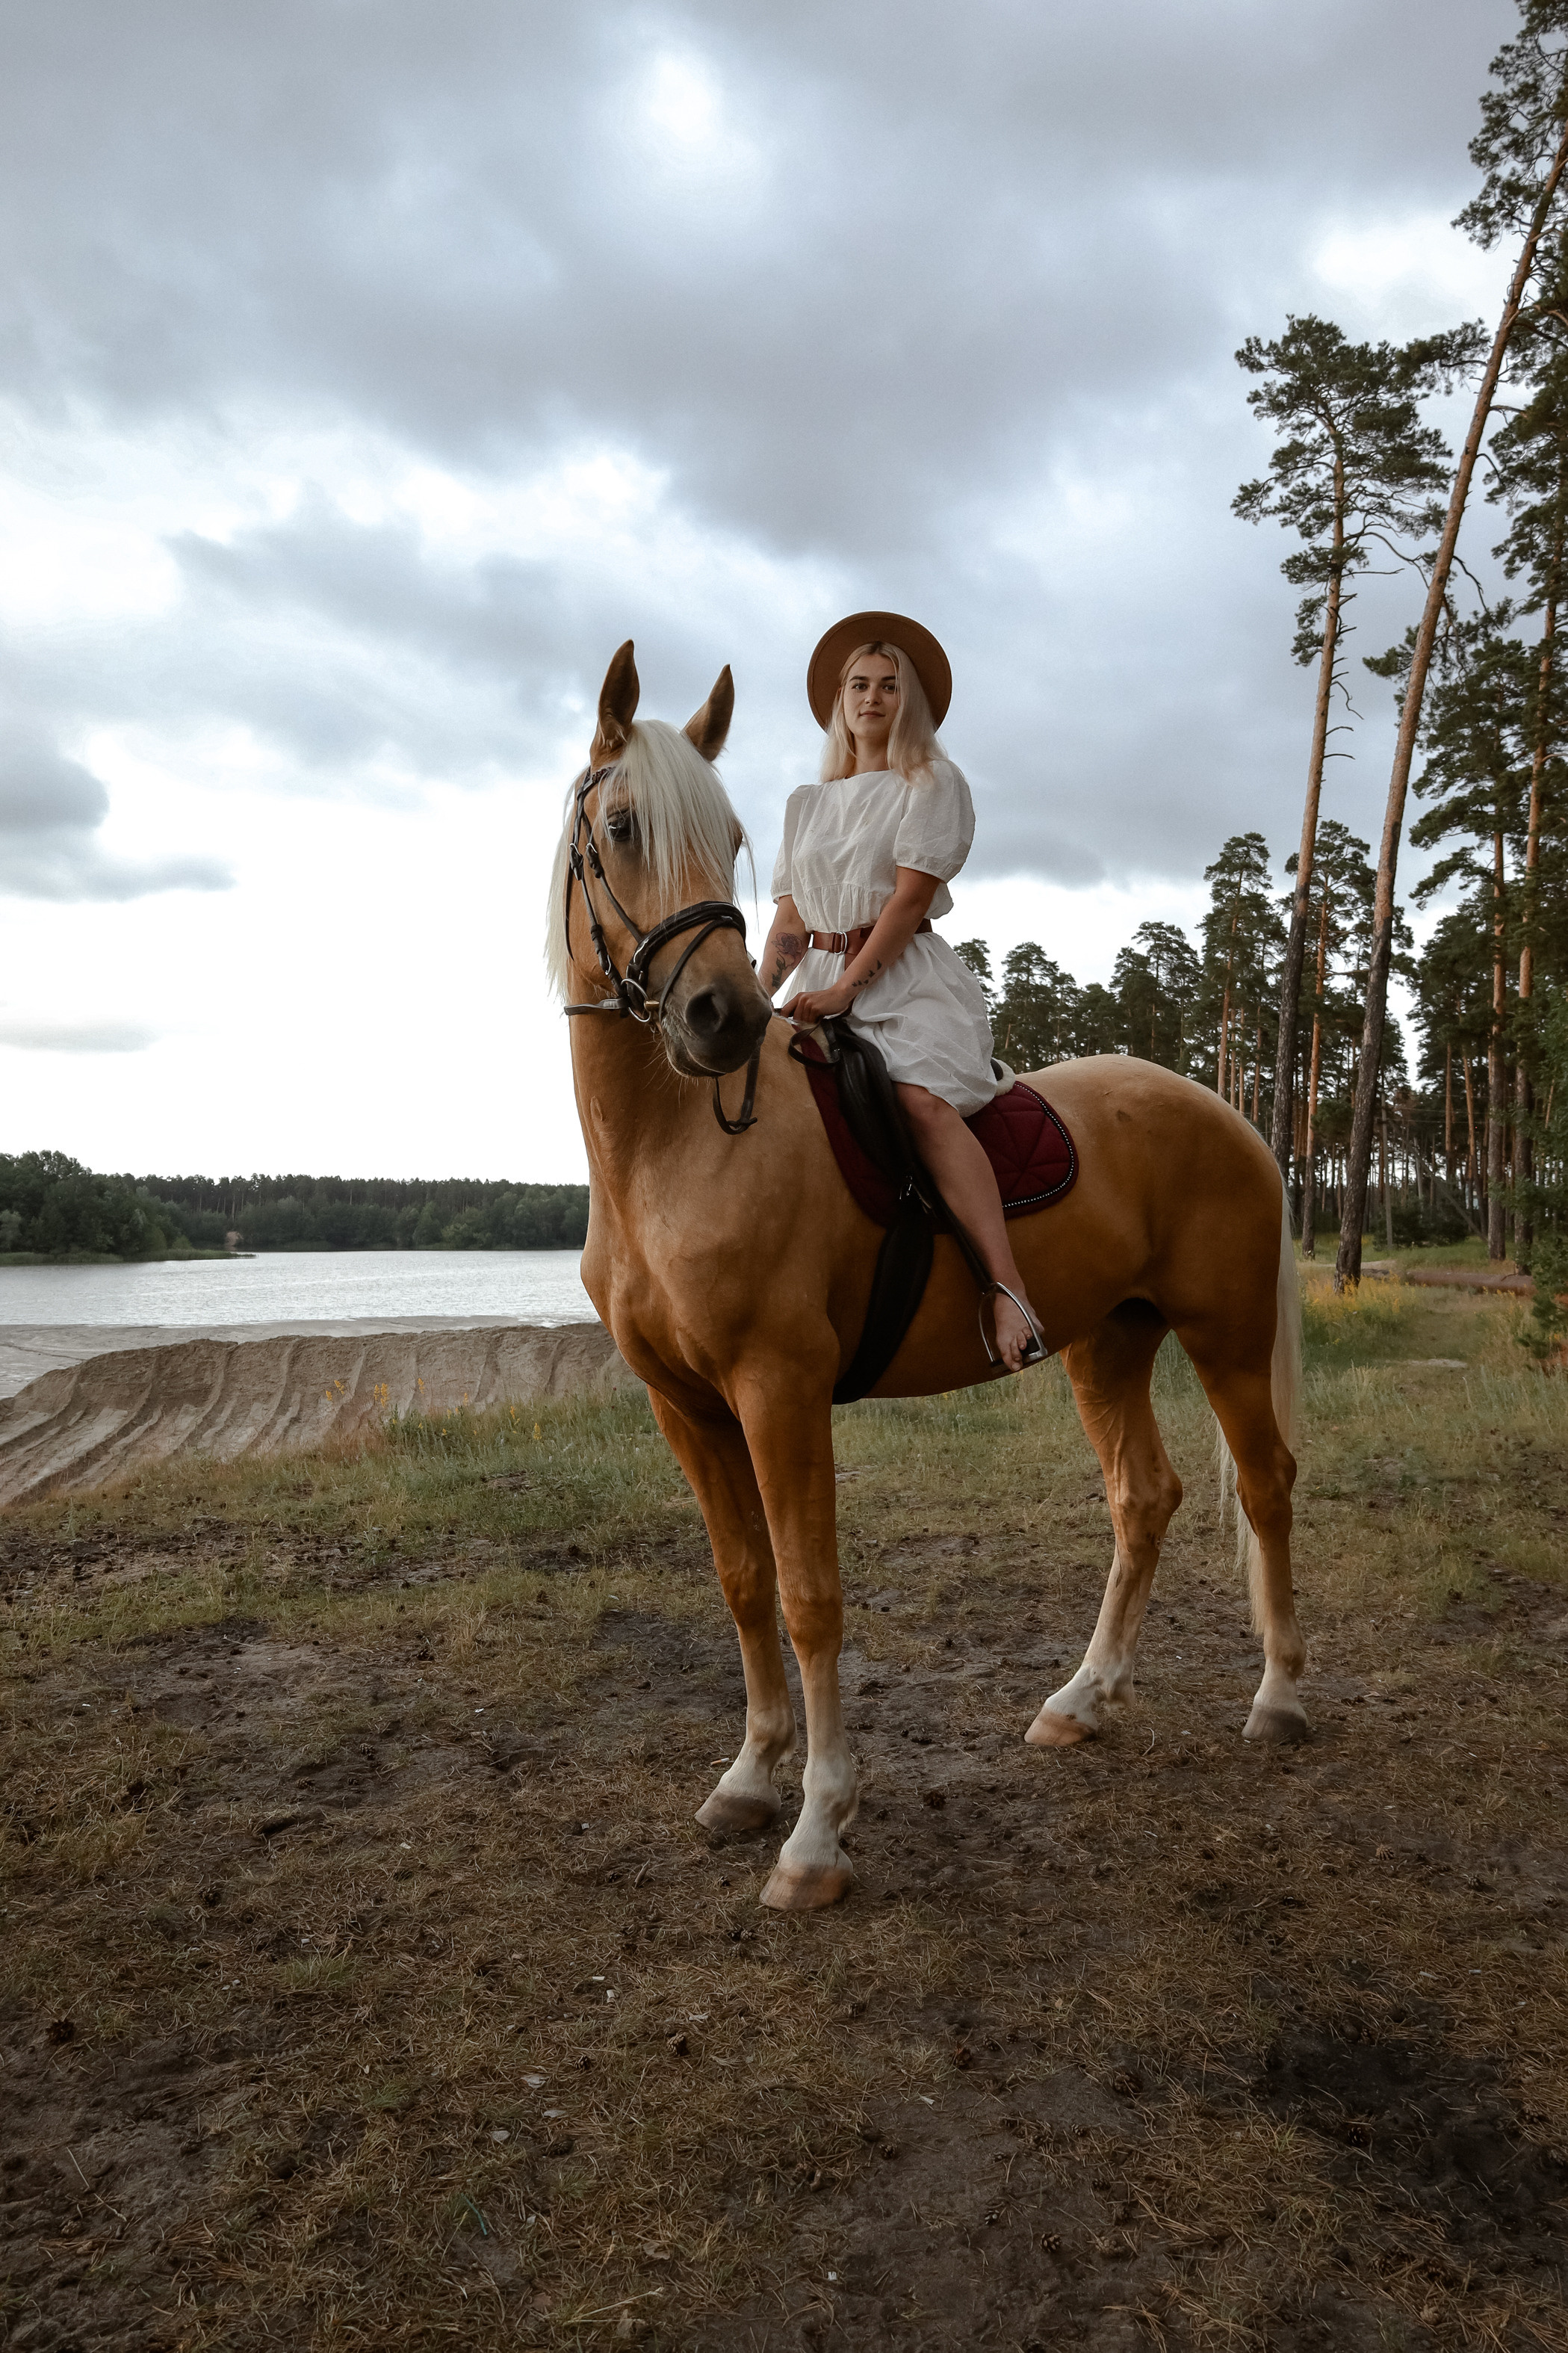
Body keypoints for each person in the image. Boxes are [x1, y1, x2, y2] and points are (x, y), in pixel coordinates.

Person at [759, 610, 1044, 1373]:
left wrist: (846, 990)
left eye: (888, 686)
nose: (871, 697)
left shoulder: (931, 783)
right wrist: (761, 995)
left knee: (919, 1103)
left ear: (907, 700)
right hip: (815, 982)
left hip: (903, 983)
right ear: (839, 700)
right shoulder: (805, 803)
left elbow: (908, 901)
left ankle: (1006, 1287)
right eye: (858, 685)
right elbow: (790, 917)